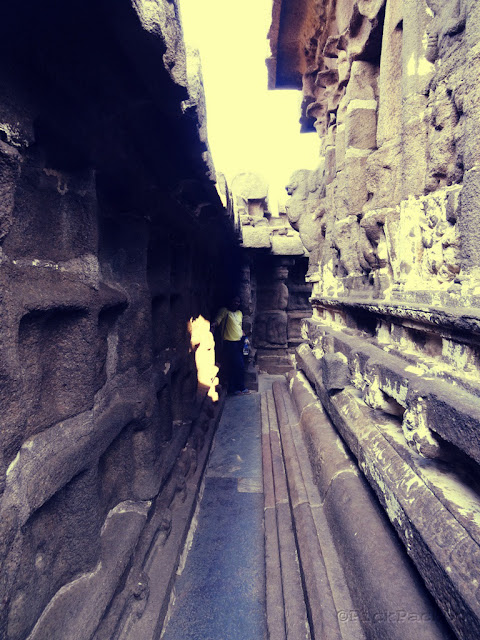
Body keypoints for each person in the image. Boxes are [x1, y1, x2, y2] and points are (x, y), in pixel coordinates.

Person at [212, 296, 250, 395]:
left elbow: (238, 326)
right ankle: (234, 388)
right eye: (235, 301)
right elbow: (218, 320)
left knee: (240, 365)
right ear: (230, 301)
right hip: (229, 343)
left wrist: (244, 337)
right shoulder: (224, 311)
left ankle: (240, 387)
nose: (236, 303)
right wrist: (214, 325)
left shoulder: (239, 313)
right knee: (234, 365)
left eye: (238, 302)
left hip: (239, 342)